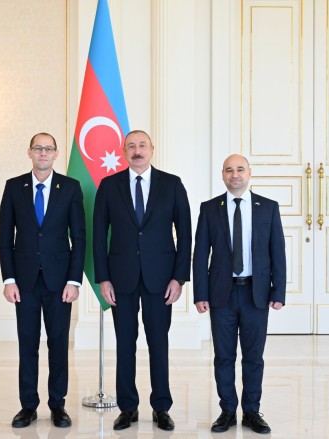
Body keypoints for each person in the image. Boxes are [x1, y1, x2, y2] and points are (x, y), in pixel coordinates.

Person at [93, 130, 192, 431]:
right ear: (124, 151)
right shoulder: (109, 186)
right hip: (120, 278)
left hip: (160, 280)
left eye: (142, 145)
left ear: (152, 149)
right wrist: (103, 278)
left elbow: (185, 234)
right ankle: (128, 408)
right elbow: (98, 235)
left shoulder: (172, 184)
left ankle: (161, 407)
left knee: (158, 343)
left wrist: (179, 278)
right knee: (125, 344)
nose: (137, 151)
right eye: (131, 146)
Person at [193, 154, 286, 434]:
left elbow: (277, 252)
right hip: (221, 294)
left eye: (240, 169)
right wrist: (200, 293)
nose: (235, 174)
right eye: (229, 170)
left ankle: (252, 412)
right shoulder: (210, 208)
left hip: (255, 294)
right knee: (223, 356)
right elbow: (200, 254)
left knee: (253, 357)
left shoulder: (268, 207)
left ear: (249, 173)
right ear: (222, 174)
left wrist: (278, 291)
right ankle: (227, 411)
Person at [0, 132, 86, 429]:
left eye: (49, 149)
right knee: (28, 344)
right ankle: (28, 405)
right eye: (38, 148)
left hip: (59, 283)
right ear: (29, 152)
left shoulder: (70, 188)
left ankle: (58, 405)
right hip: (24, 283)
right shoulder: (14, 187)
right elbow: (5, 238)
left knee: (58, 344)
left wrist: (74, 281)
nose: (43, 153)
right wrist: (9, 279)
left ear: (56, 154)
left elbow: (79, 238)